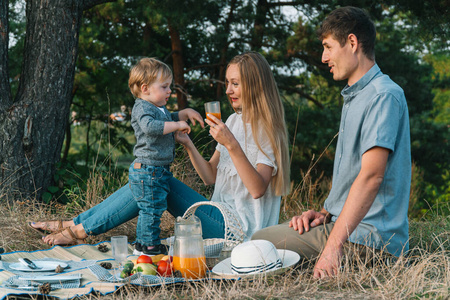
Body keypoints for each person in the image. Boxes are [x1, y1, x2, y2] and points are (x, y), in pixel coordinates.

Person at [29, 52, 291, 249]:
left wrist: (231, 144)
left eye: (235, 84)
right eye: (227, 83)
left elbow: (257, 189)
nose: (228, 90)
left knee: (155, 180)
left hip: (237, 232)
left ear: (255, 86)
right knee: (151, 178)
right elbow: (210, 176)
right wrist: (187, 144)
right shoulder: (233, 121)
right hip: (217, 212)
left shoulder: (267, 131)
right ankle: (76, 225)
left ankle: (77, 228)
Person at [251, 6, 411, 279]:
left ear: (352, 42)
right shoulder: (357, 96)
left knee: (258, 245)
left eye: (328, 47)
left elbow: (372, 176)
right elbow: (354, 177)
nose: (324, 57)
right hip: (349, 227)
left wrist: (331, 247)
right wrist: (326, 213)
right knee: (260, 242)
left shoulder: (383, 96)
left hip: (371, 240)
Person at [129, 58, 192, 255]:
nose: (169, 91)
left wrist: (183, 113)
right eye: (164, 87)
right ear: (145, 88)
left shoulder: (158, 108)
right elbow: (151, 127)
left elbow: (167, 119)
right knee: (152, 209)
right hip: (149, 170)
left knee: (153, 208)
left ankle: (143, 243)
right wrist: (177, 126)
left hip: (156, 169)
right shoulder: (142, 107)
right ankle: (149, 247)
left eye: (169, 87)